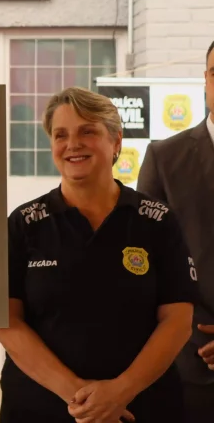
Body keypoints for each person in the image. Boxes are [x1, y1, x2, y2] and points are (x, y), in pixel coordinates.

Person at [0, 86, 198, 422]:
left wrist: (120, 392)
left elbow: (177, 321)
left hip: (138, 408)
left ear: (116, 141)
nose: (73, 144)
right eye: (61, 135)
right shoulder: (24, 224)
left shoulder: (156, 221)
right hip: (41, 408)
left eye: (88, 131)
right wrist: (83, 398)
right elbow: (5, 323)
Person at [136, 40, 214, 423]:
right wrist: (198, 331)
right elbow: (145, 261)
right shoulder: (164, 158)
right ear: (205, 81)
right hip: (191, 356)